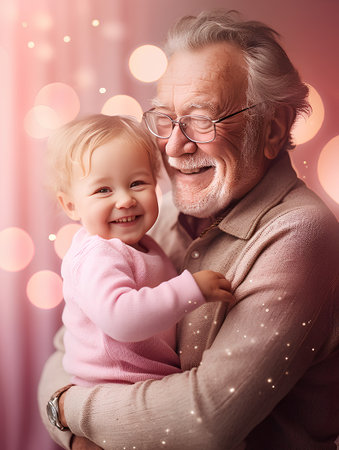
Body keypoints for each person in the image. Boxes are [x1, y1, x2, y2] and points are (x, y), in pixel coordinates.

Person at [38, 9, 339, 450]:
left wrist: (68, 412)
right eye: (165, 118)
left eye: (201, 118)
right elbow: (65, 349)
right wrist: (71, 423)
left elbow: (205, 420)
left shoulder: (300, 233)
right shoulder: (150, 212)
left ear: (271, 131)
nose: (174, 147)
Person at [45, 114, 233, 388]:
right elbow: (120, 318)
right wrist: (192, 290)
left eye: (137, 183)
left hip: (137, 381)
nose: (124, 200)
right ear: (71, 205)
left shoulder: (141, 243)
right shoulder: (98, 254)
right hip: (113, 385)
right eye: (103, 190)